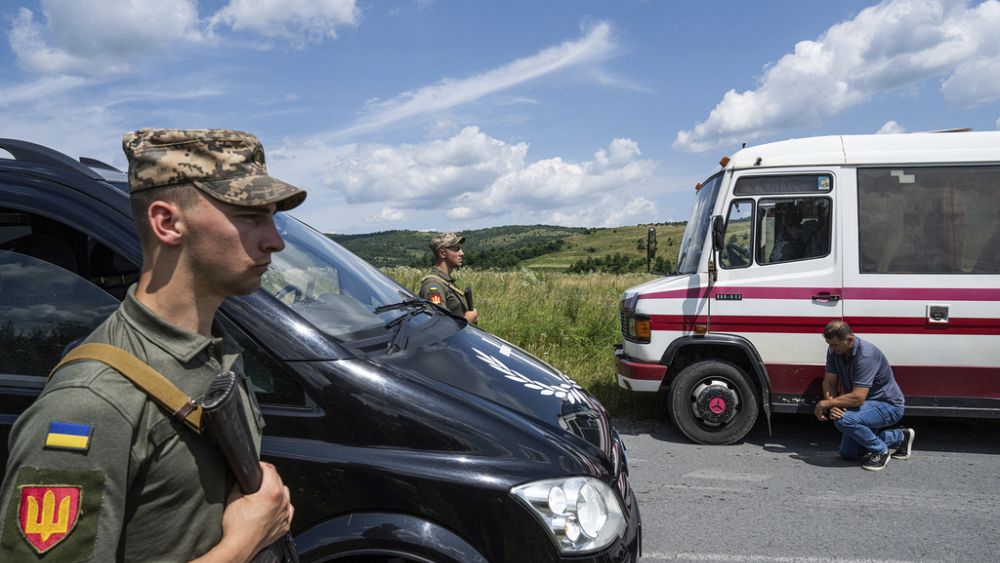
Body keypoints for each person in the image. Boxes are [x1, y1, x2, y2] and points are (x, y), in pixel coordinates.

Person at [0, 129, 304, 561]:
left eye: (272, 218)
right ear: (167, 222)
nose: (275, 240)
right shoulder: (88, 404)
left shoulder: (211, 354)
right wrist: (242, 544)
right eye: (250, 216)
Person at [815, 320, 915, 471]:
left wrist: (826, 404)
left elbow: (857, 397)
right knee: (849, 454)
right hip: (863, 407)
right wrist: (834, 404)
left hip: (887, 405)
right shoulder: (834, 351)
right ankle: (900, 437)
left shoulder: (866, 355)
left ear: (850, 340)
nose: (832, 349)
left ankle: (880, 451)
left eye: (835, 345)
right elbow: (829, 382)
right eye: (829, 344)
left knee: (844, 420)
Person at [419, 232, 478, 324]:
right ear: (442, 253)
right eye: (456, 249)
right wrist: (468, 320)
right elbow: (438, 325)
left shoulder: (446, 281)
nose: (462, 253)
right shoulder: (433, 285)